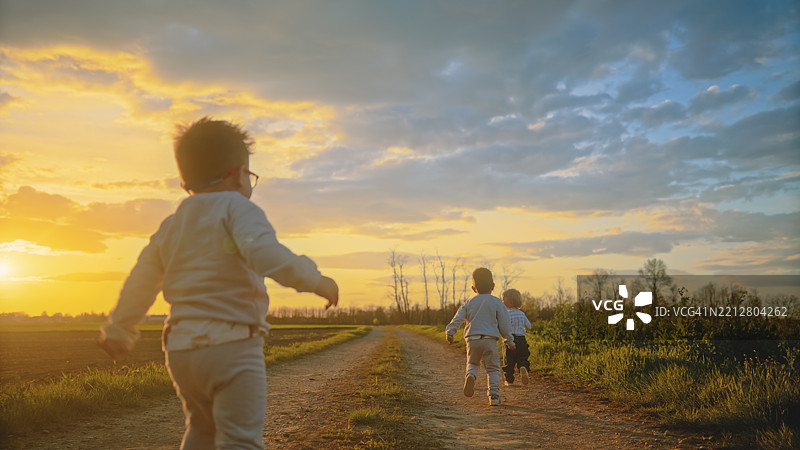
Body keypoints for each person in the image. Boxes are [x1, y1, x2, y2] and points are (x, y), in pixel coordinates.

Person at [97, 117, 339, 449]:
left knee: (201, 430)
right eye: (251, 176)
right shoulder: (237, 208)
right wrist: (317, 280)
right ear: (240, 174)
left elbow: (141, 281)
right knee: (240, 439)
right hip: (233, 347)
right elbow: (267, 255)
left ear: (185, 181)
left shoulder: (172, 224)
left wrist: (119, 329)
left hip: (181, 351)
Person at [446, 267, 515, 406]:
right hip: (489, 340)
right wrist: (509, 340)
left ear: (473, 288)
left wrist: (450, 332)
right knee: (493, 369)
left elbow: (457, 318)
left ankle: (471, 375)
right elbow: (505, 323)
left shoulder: (469, 302)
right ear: (493, 286)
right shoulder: (497, 302)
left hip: (472, 340)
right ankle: (494, 396)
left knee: (472, 363)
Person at [501, 288, 531, 386]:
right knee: (522, 357)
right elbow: (529, 326)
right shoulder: (522, 314)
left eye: (503, 299)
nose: (502, 301)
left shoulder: (506, 314)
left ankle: (509, 380)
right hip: (522, 340)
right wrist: (524, 329)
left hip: (510, 340)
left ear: (510, 302)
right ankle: (523, 367)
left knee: (508, 361)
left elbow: (503, 326)